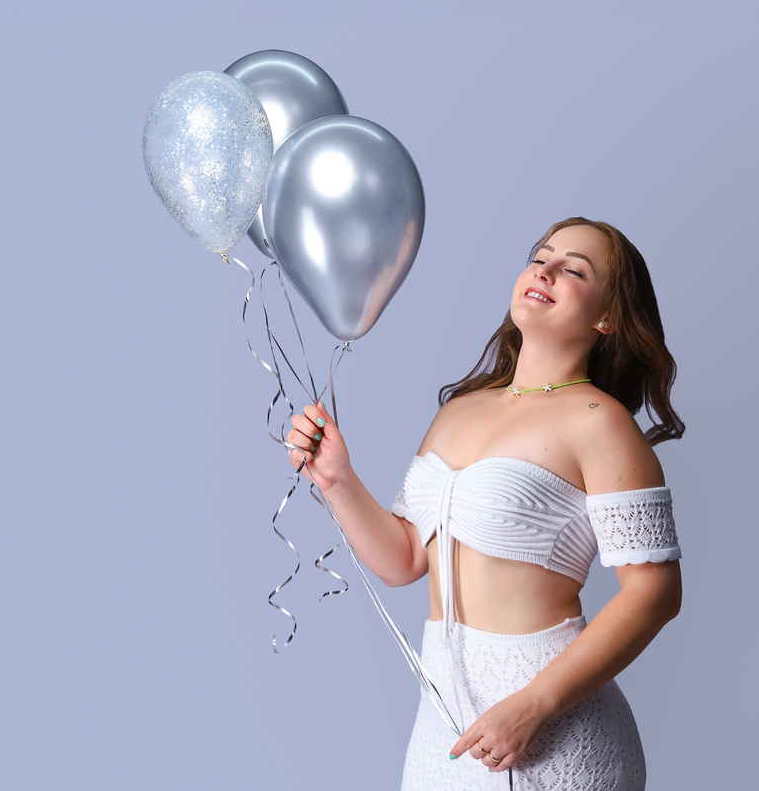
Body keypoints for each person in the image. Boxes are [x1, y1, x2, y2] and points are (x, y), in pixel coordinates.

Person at [286, 217, 684, 790]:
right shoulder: (458, 411)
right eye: (539, 257)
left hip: (553, 731)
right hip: (442, 727)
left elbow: (655, 593)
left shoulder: (601, 424)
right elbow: (405, 559)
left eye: (573, 270)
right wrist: (337, 479)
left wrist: (534, 703)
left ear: (608, 317)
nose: (544, 271)